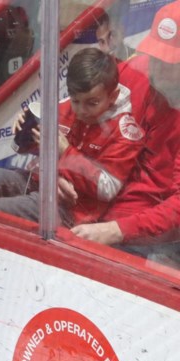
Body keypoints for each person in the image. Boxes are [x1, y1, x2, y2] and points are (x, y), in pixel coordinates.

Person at [0, 47, 145, 229]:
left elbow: (108, 188)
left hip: (71, 209)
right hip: (39, 181)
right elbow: (28, 149)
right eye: (76, 100)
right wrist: (25, 131)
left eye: (92, 103)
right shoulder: (64, 107)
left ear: (113, 96)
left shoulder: (125, 132)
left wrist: (65, 152)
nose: (80, 110)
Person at [68, 1, 180, 264]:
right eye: (155, 56)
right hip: (90, 204)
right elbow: (77, 113)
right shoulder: (134, 71)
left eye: (171, 61)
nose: (158, 68)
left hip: (145, 233)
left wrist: (115, 230)